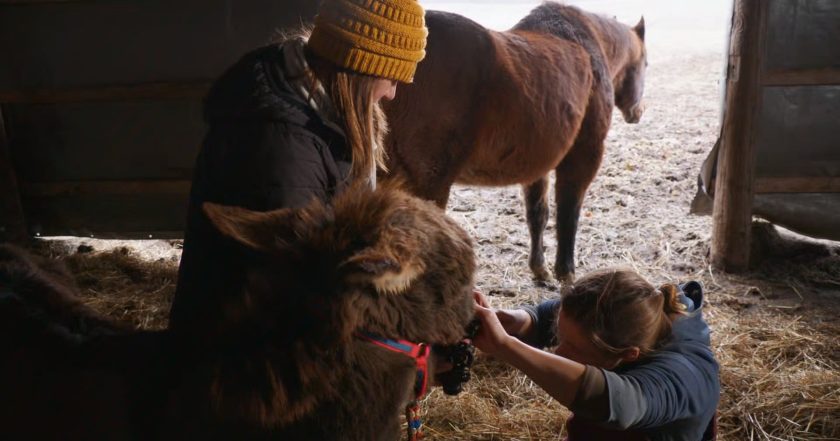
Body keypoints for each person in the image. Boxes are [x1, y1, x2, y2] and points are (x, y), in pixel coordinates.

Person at [169, 0, 428, 337]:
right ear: (358, 68)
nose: (392, 94)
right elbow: (296, 279)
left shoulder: (312, 107)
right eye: (390, 78)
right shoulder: (282, 148)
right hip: (242, 353)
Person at [472, 269, 720, 441]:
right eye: (560, 337)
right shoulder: (634, 312)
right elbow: (552, 315)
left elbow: (617, 403)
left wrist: (506, 346)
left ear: (629, 354)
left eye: (574, 348)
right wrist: (515, 320)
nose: (559, 351)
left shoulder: (682, 376)